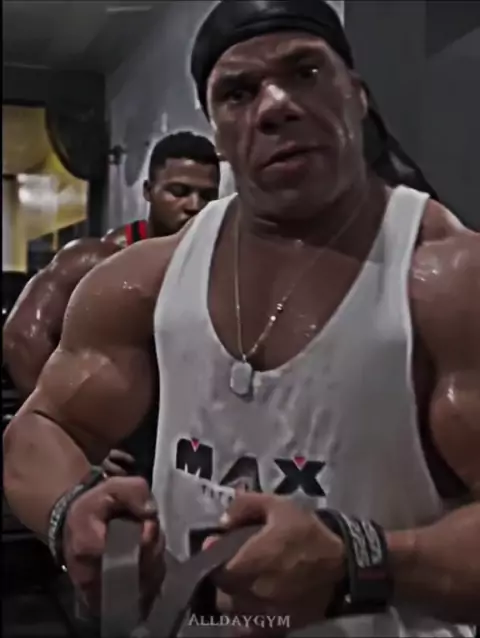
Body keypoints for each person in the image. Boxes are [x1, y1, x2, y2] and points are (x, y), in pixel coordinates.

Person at [3, 1, 480, 636]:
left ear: (358, 95)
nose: (275, 105)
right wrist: (73, 512)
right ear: (218, 132)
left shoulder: (449, 280)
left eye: (305, 72)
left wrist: (361, 563)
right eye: (239, 92)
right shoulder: (143, 278)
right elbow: (39, 429)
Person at [3, 131, 219, 481]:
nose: (194, 206)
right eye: (179, 191)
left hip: (184, 442)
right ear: (148, 192)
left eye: (207, 195)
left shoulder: (213, 264)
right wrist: (67, 433)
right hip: (120, 440)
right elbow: (22, 337)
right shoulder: (101, 259)